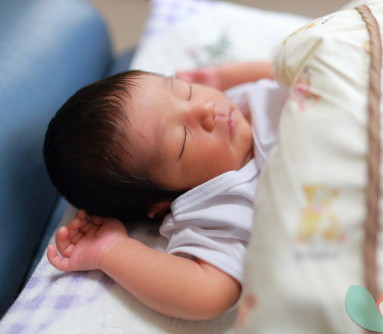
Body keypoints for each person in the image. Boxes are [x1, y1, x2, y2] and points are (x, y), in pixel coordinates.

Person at [43, 61, 288, 320]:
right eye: (183, 139)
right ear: (161, 206)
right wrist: (111, 251)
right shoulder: (218, 205)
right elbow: (207, 293)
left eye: (185, 91)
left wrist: (219, 77)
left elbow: (295, 65)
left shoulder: (243, 97)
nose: (205, 109)